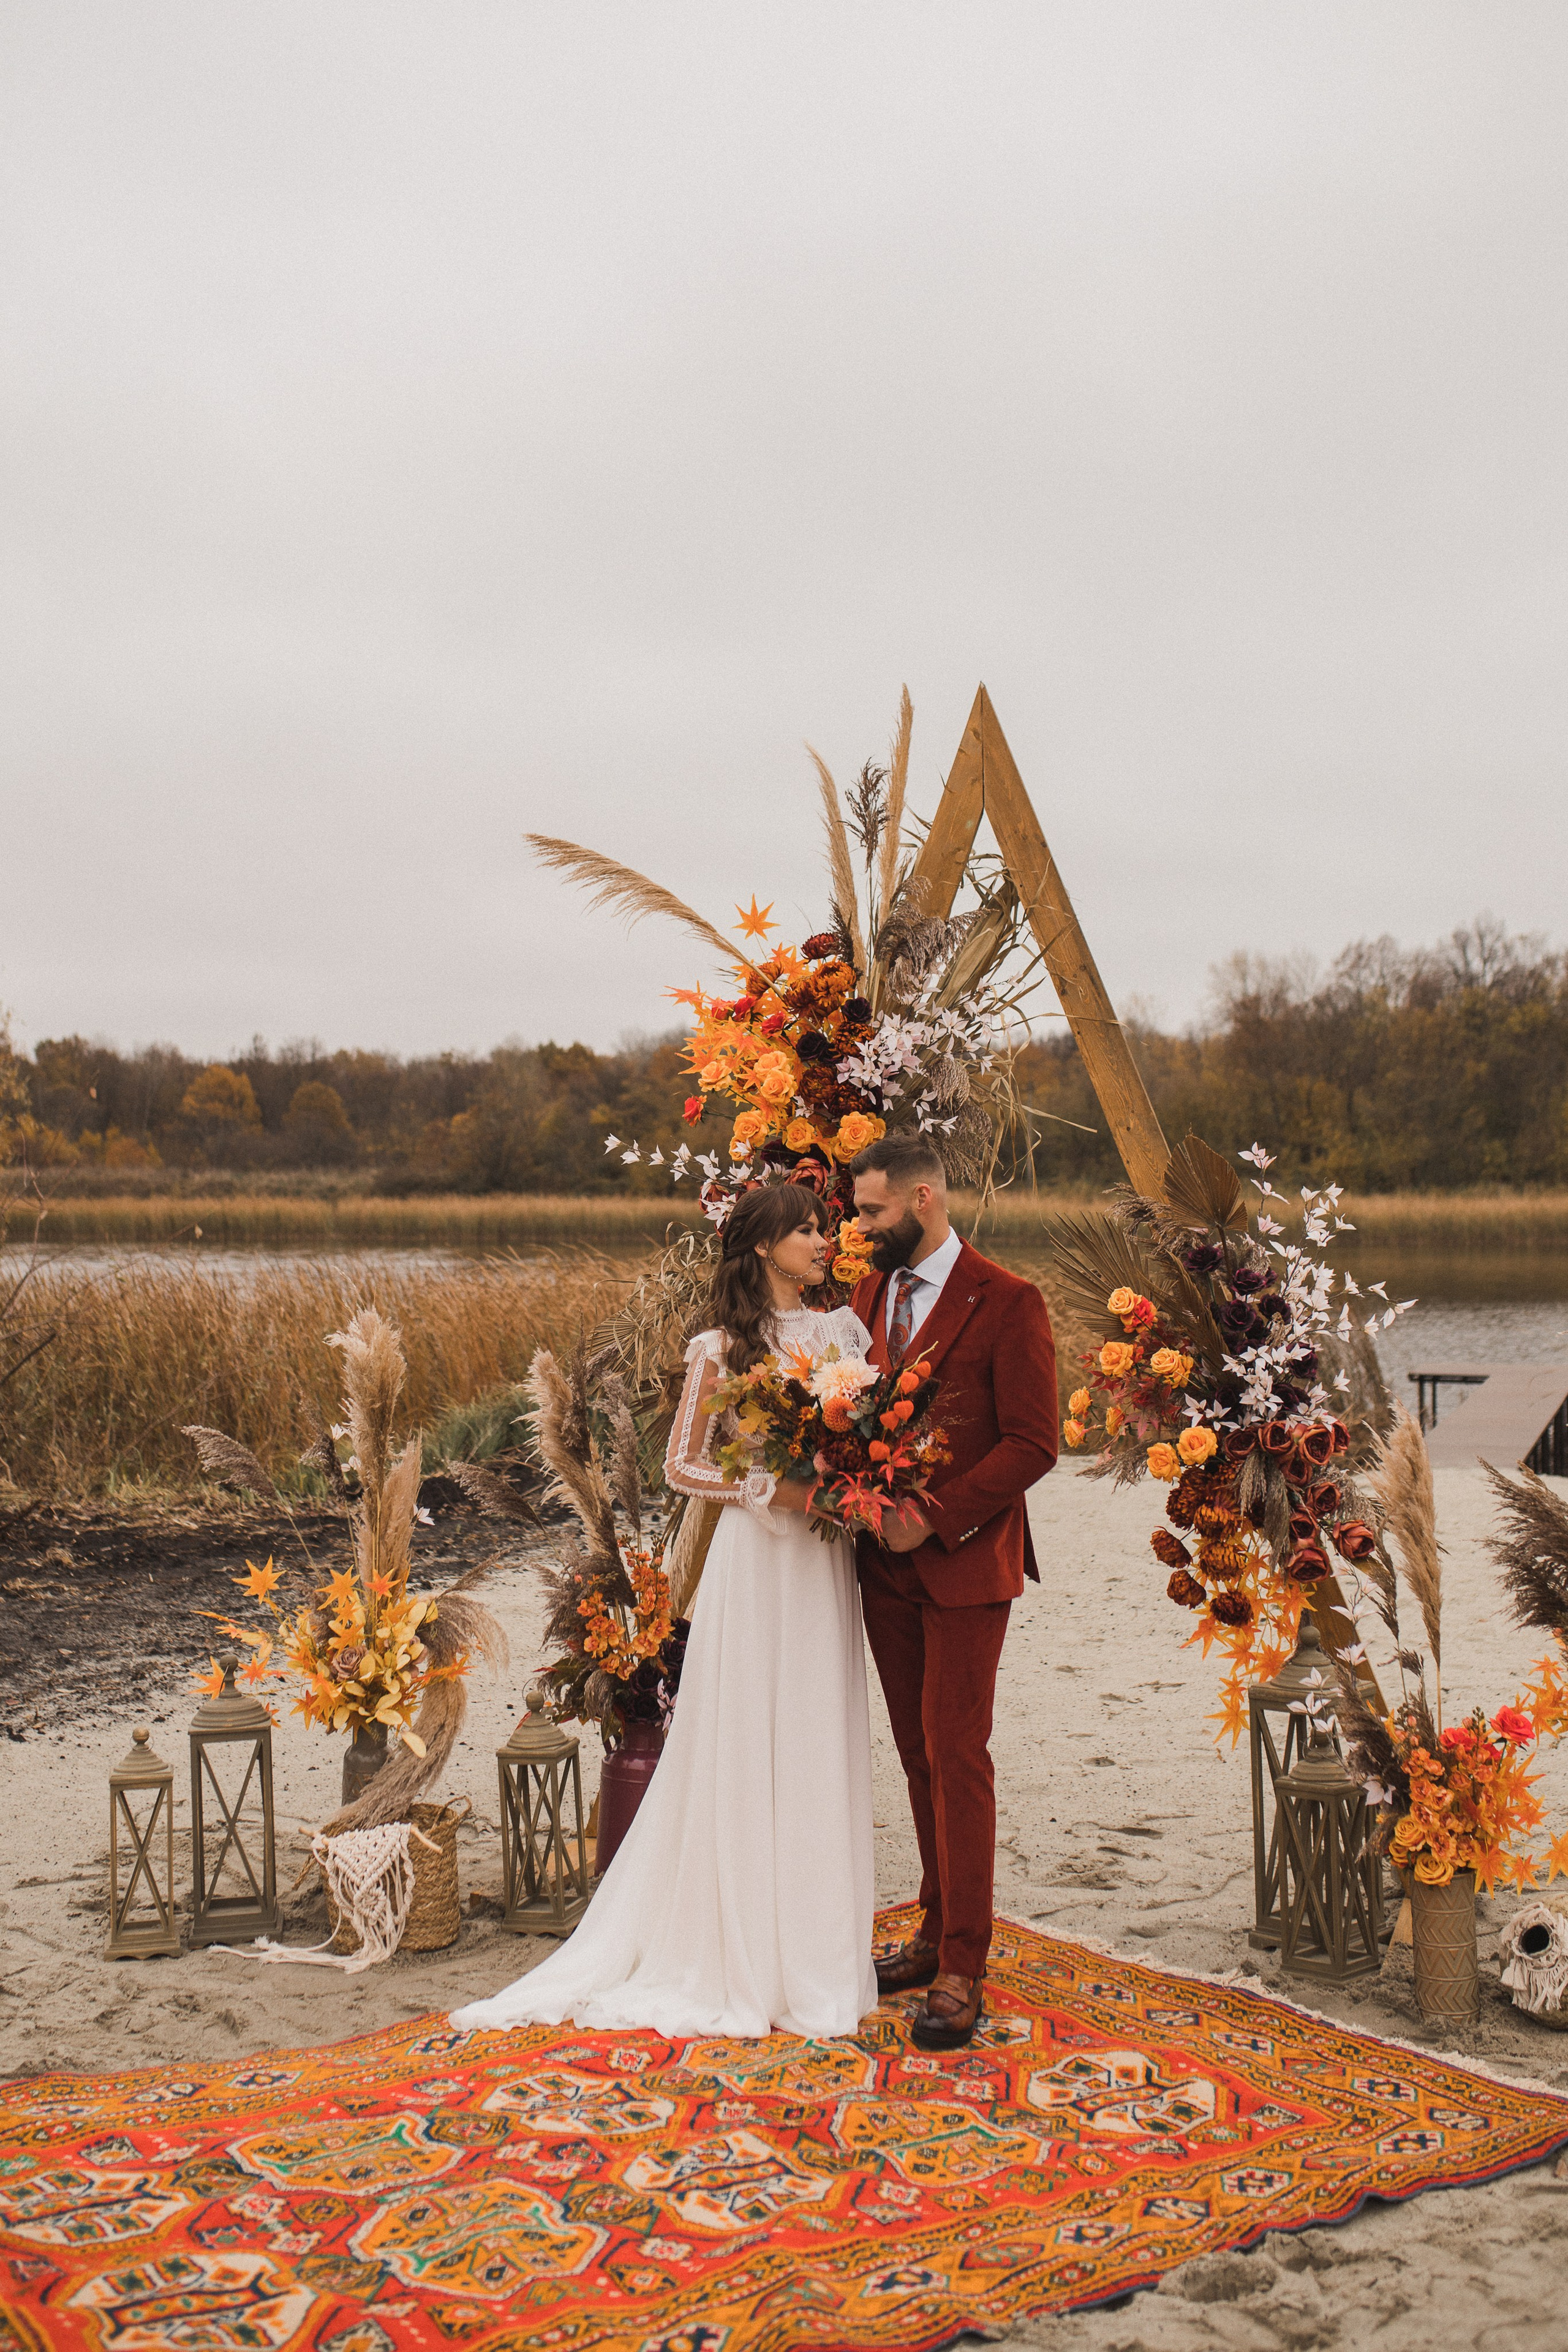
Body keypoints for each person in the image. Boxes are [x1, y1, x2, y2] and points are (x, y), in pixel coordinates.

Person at [452, 1184, 877, 2041]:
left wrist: (850, 1476)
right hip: (759, 1557)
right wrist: (770, 1487)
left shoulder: (844, 1335)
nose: (821, 1242)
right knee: (748, 1726)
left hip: (822, 1558)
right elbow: (684, 1464)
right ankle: (738, 1938)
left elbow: (861, 1436)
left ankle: (816, 1946)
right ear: (762, 1246)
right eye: (804, 1231)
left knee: (814, 1724)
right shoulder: (719, 1346)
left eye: (822, 1229)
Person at [849, 1134, 1057, 2051]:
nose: (861, 1227)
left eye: (873, 1212)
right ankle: (933, 1934)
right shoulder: (870, 1296)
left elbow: (1034, 1443)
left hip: (967, 1560)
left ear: (924, 1199)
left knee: (957, 1751)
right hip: (880, 1566)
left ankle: (964, 1963)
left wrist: (932, 1519)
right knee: (915, 1752)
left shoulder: (1009, 1300)